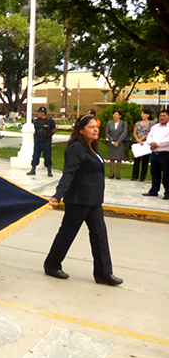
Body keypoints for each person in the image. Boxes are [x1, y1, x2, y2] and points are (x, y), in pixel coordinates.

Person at [44, 115, 123, 286]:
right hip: (78, 199)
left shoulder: (92, 146)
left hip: (94, 200)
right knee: (67, 233)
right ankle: (52, 265)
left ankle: (103, 273)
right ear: (81, 130)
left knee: (100, 235)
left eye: (96, 126)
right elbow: (69, 173)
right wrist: (58, 195)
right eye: (91, 127)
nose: (95, 129)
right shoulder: (76, 149)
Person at [143, 109, 169, 199]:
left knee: (167, 174)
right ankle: (154, 190)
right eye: (160, 116)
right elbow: (149, 136)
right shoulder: (155, 127)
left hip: (165, 154)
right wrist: (151, 143)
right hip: (155, 153)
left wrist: (157, 144)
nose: (161, 118)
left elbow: (167, 140)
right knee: (154, 173)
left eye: (164, 116)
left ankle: (168, 192)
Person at [28, 106, 56, 177]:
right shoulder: (37, 121)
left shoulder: (50, 121)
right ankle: (33, 169)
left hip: (46, 141)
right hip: (38, 141)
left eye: (39, 112)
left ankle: (49, 171)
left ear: (43, 113)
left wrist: (49, 135)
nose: (38, 113)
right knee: (35, 155)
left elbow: (54, 129)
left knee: (47, 156)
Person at [131, 109, 154, 182]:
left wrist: (142, 139)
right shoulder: (138, 123)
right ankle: (134, 176)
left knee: (145, 161)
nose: (142, 115)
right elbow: (134, 132)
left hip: (146, 143)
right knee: (136, 160)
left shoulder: (151, 123)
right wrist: (138, 139)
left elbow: (150, 132)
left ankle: (142, 177)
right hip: (138, 143)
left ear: (148, 115)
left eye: (143, 113)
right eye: (141, 113)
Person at [105, 110, 128, 179]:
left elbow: (124, 132)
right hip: (112, 143)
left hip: (120, 143)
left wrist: (118, 142)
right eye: (114, 114)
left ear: (120, 116)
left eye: (116, 114)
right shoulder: (109, 123)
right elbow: (107, 133)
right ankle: (111, 173)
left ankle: (118, 173)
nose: (114, 116)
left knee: (119, 158)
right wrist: (112, 141)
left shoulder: (123, 123)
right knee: (112, 158)